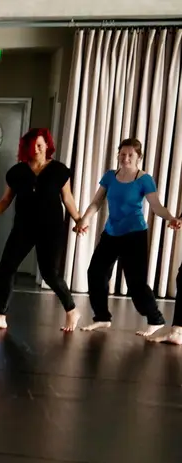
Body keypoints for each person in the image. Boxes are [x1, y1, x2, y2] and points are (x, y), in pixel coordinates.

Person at [0, 128, 83, 332]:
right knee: (6, 267)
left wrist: (78, 219)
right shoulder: (17, 172)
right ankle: (1, 316)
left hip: (51, 228)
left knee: (49, 274)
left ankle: (71, 310)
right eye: (31, 145)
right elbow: (5, 200)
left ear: (47, 145)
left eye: (40, 144)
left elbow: (67, 198)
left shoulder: (59, 170)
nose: (36, 149)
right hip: (24, 227)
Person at [75, 138, 182, 336]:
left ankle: (155, 319)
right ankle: (102, 318)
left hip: (134, 234)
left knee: (136, 282)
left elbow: (156, 205)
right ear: (118, 155)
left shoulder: (143, 179)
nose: (125, 158)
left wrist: (171, 218)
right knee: (96, 273)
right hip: (111, 232)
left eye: (130, 155)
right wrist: (84, 220)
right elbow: (96, 202)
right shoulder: (109, 176)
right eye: (122, 154)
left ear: (139, 157)